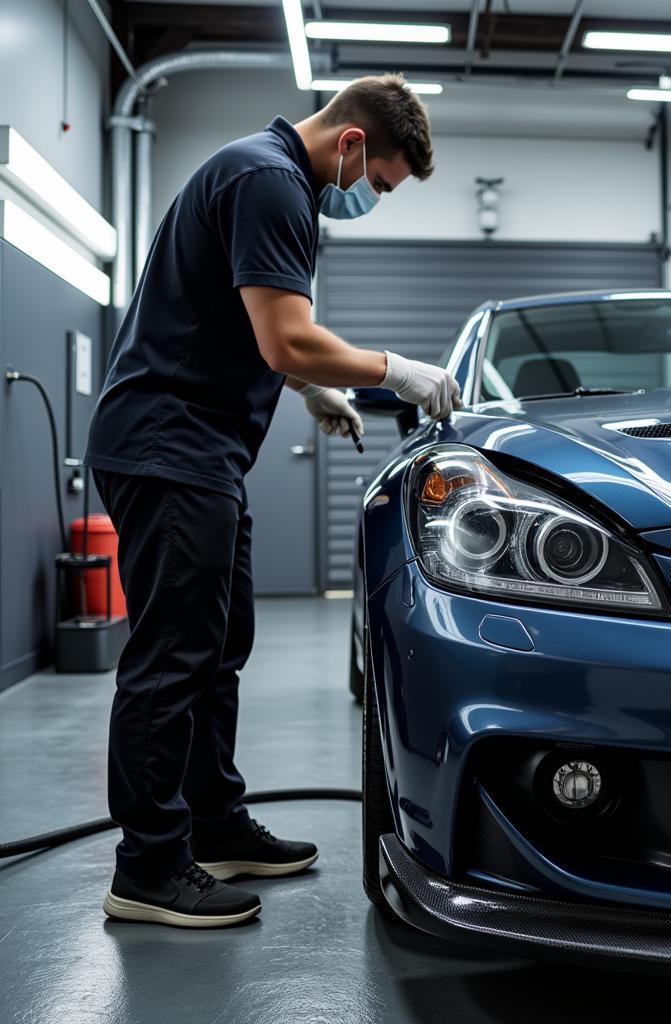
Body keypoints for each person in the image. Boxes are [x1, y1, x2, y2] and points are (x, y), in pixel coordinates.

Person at [85, 73, 460, 928]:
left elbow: (248, 327)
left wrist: (306, 389)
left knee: (219, 643)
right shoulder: (270, 181)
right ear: (354, 145)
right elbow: (285, 332)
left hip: (200, 449)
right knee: (174, 653)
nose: (368, 199)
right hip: (168, 448)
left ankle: (212, 826)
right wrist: (391, 370)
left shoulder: (261, 174)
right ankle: (146, 868)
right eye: (378, 185)